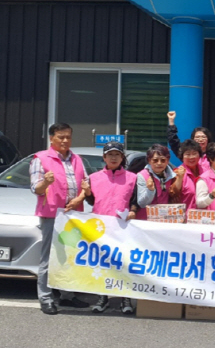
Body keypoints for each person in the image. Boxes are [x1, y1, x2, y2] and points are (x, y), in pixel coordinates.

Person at [29, 122, 89, 315]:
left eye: (68, 137)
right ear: (51, 138)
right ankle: (45, 298)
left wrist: (79, 198)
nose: (65, 140)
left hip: (73, 215)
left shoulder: (77, 159)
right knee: (49, 257)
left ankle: (67, 295)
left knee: (69, 256)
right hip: (52, 214)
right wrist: (45, 182)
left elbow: (86, 184)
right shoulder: (41, 158)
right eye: (60, 137)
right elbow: (35, 188)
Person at [81, 142, 137, 315]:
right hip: (100, 227)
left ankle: (125, 299)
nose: (113, 158)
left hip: (123, 227)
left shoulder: (132, 178)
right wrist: (87, 192)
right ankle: (102, 297)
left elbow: (135, 200)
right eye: (110, 154)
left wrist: (133, 211)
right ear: (104, 157)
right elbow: (92, 201)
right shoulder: (94, 177)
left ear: (122, 157)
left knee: (123, 263)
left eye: (117, 154)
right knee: (102, 264)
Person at [136, 144, 177, 220]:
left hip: (164, 219)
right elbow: (142, 203)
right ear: (149, 160)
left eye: (163, 160)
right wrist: (150, 190)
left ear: (168, 160)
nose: (159, 163)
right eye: (155, 160)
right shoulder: (142, 175)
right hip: (145, 220)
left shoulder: (172, 175)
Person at [171, 139, 203, 211]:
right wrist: (180, 178)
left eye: (194, 153)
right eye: (188, 154)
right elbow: (173, 194)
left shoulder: (205, 171)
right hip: (186, 215)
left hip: (205, 215)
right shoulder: (177, 172)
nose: (191, 157)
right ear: (182, 157)